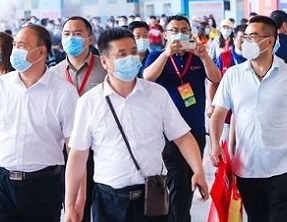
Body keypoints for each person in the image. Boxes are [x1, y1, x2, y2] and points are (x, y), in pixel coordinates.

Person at [65, 27, 208, 222]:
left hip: (152, 197)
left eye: (133, 52)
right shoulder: (89, 102)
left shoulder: (156, 94)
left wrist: (198, 171)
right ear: (105, 62)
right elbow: (78, 155)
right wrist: (70, 205)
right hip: (110, 202)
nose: (130, 58)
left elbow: (182, 137)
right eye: (122, 54)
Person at [210, 16, 287, 222]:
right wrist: (215, 145)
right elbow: (218, 115)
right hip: (246, 169)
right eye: (245, 37)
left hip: (282, 168)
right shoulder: (233, 75)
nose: (246, 41)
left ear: (269, 41)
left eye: (253, 36)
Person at [0, 24, 78, 221]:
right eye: (15, 45)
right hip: (0, 184)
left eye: (22, 46)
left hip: (43, 185)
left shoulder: (64, 92)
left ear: (41, 52)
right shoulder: (0, 86)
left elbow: (74, 151)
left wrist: (72, 203)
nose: (15, 51)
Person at [143, 15, 220, 222]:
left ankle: (181, 216)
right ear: (165, 35)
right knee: (176, 184)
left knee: (187, 185)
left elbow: (216, 78)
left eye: (184, 30)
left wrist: (204, 57)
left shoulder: (196, 57)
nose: (180, 34)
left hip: (194, 131)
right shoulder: (157, 55)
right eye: (174, 30)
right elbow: (147, 77)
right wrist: (166, 54)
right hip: (166, 133)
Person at [51, 16, 108, 222]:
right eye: (66, 34)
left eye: (77, 34)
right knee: (73, 208)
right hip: (66, 150)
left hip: (99, 148)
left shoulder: (105, 69)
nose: (71, 38)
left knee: (101, 205)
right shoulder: (53, 74)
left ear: (89, 38)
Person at [206, 24, 247, 145]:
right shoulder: (224, 57)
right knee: (227, 149)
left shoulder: (256, 59)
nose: (244, 41)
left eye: (248, 38)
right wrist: (211, 105)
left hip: (248, 114)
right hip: (226, 114)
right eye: (241, 38)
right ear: (234, 39)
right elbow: (213, 83)